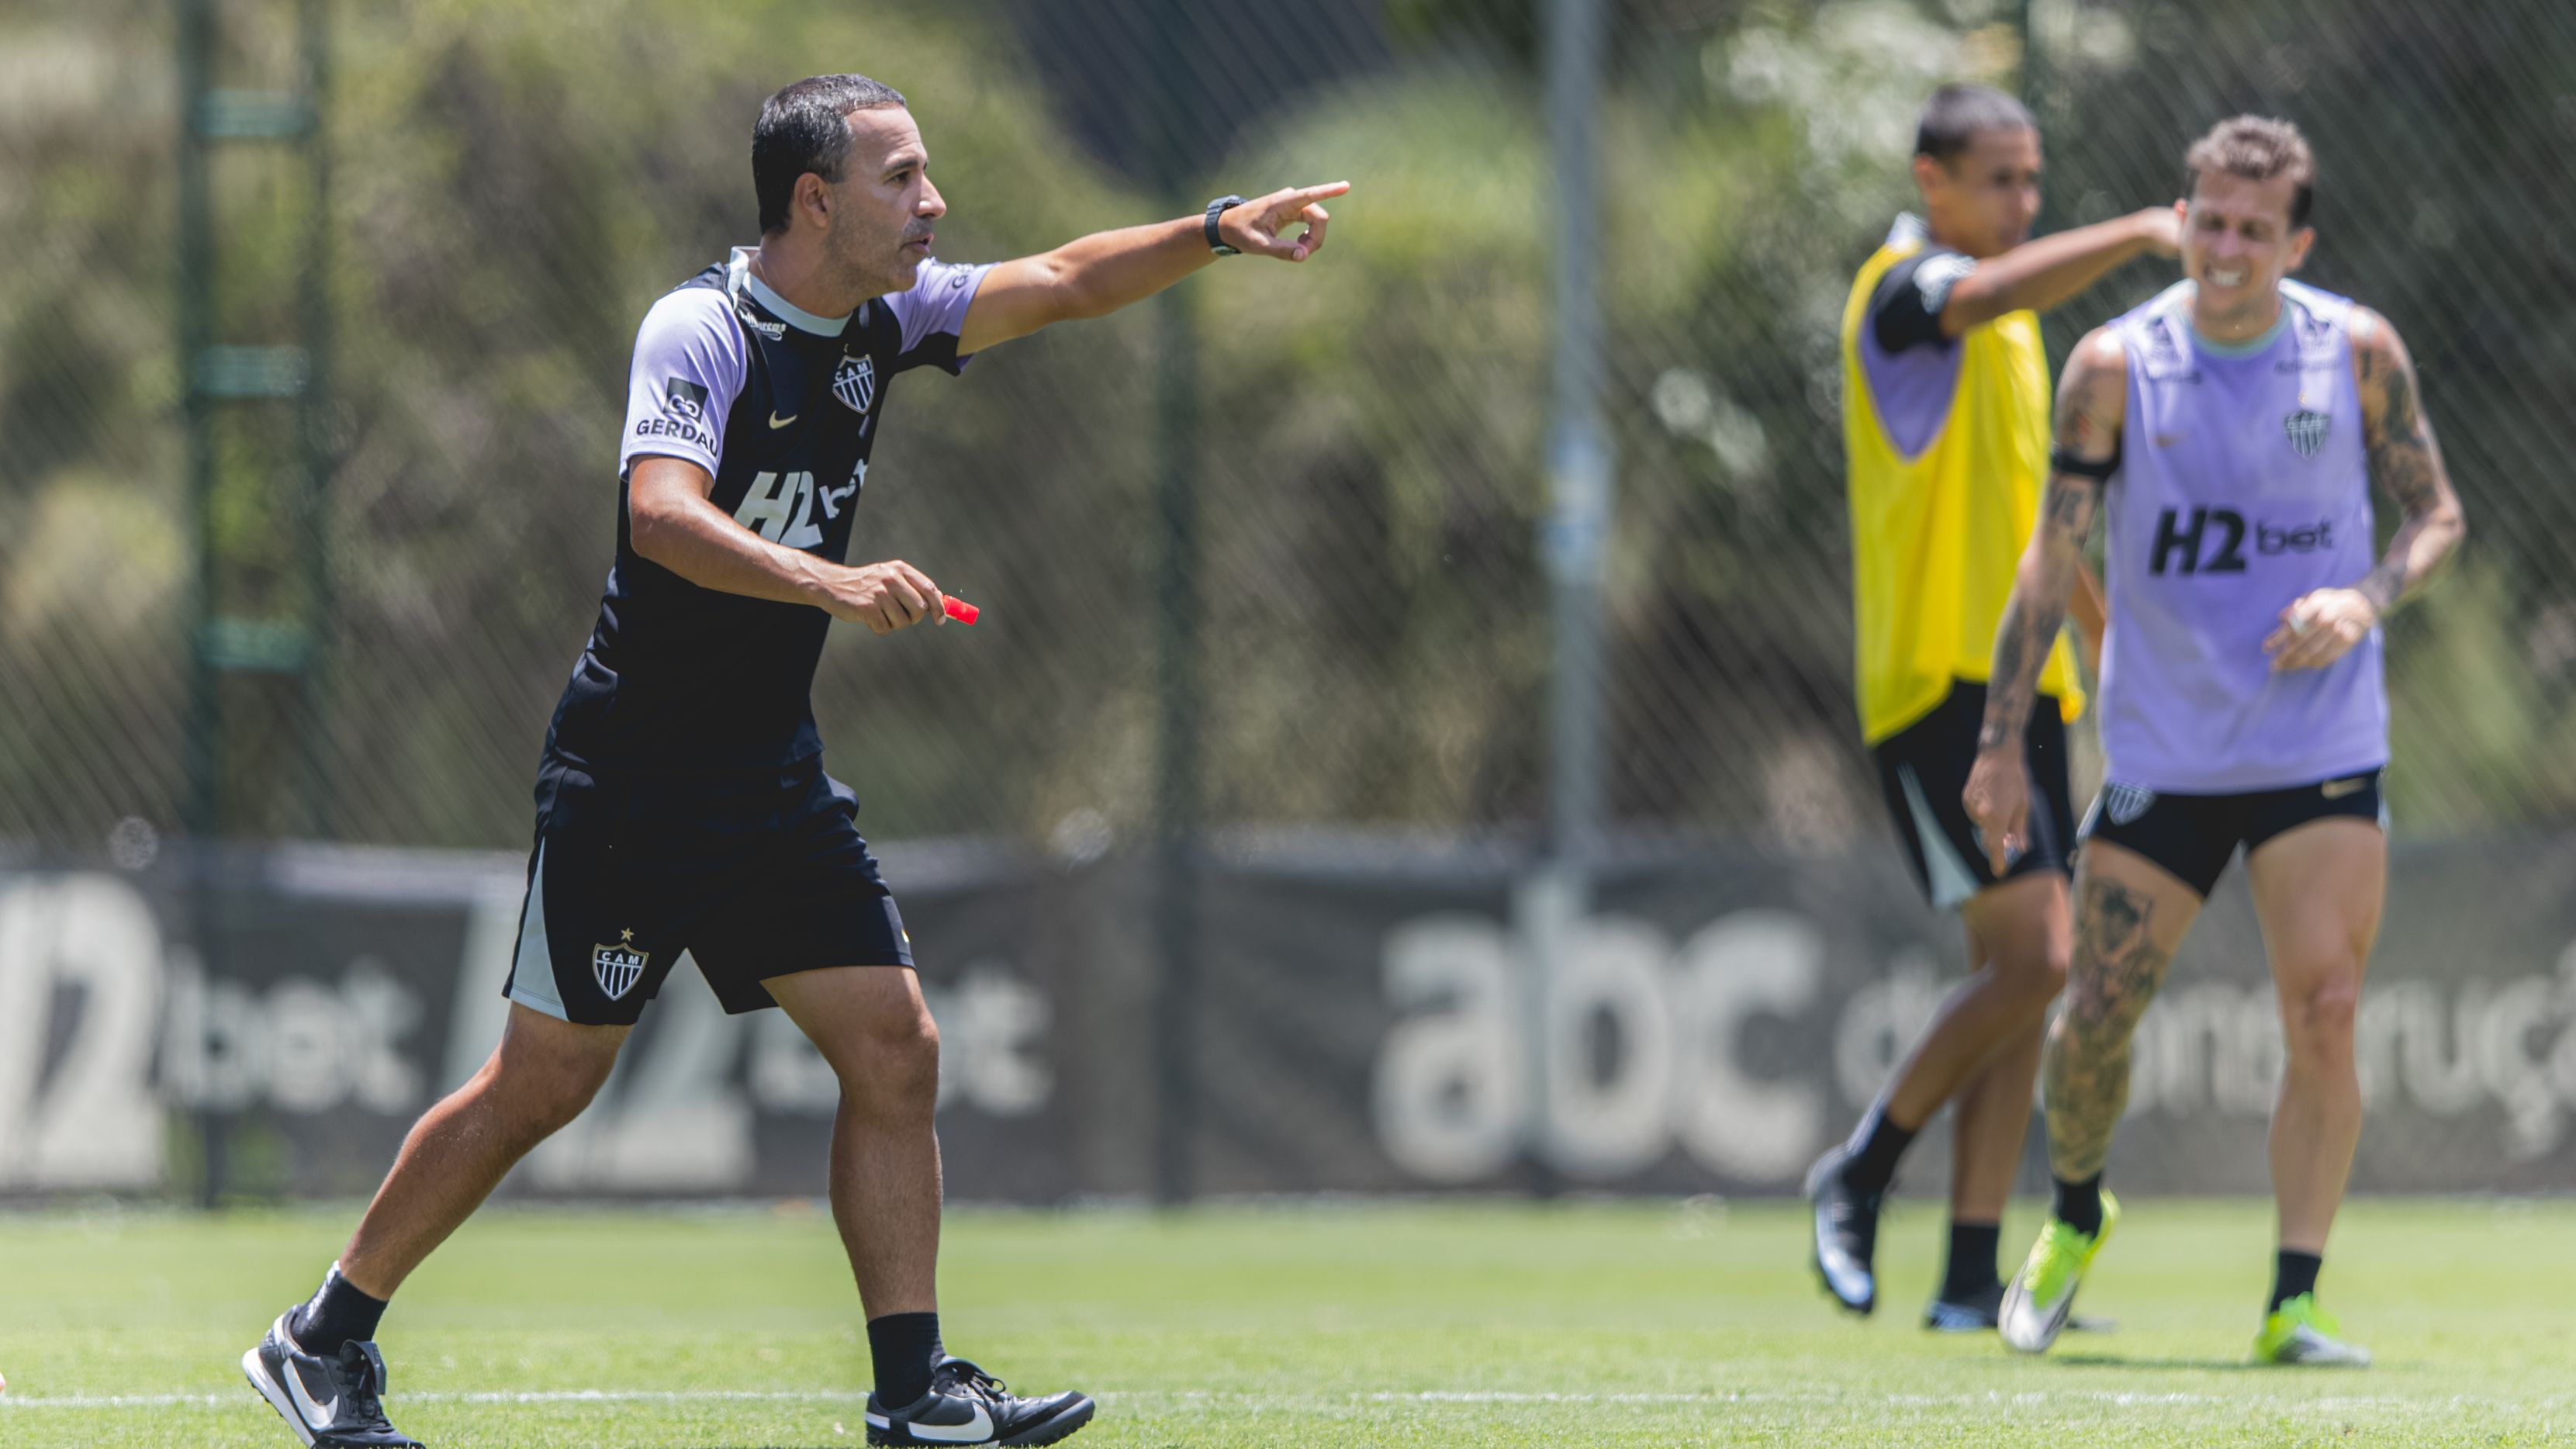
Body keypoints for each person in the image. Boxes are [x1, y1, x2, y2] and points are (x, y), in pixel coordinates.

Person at [240, 72, 1347, 1449]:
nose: (931, 202)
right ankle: (321, 1339)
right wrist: (827, 584)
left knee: (894, 1046)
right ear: (813, 199)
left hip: (768, 776)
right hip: (635, 781)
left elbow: (1061, 279)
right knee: (548, 1083)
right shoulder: (699, 329)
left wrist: (1218, 227)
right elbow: (659, 516)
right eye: (901, 178)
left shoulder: (886, 320)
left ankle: (912, 1393)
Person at [1966, 116, 2464, 1364]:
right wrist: (1997, 738)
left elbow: (2435, 515)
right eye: (2207, 219)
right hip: (2165, 754)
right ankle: (2077, 1214)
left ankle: (2292, 1301)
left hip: (2319, 747)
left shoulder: (2349, 352)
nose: (2225, 246)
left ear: (2293, 239)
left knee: (2329, 1006)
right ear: (2178, 217)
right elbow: (2050, 557)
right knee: (2095, 1017)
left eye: (2253, 228)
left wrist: (2362, 600)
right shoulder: (2112, 367)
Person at [1814, 82, 2177, 1330]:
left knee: (2015, 974)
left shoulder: (2015, 339)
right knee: (2041, 958)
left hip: (2025, 688)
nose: (2021, 204)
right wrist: (2137, 233)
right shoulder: (1904, 292)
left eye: (2033, 182)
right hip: (1932, 680)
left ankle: (1970, 1276)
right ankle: (1857, 1172)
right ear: (1932, 182)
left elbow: (2043, 521)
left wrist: (2109, 638)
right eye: (1998, 181)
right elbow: (1970, 296)